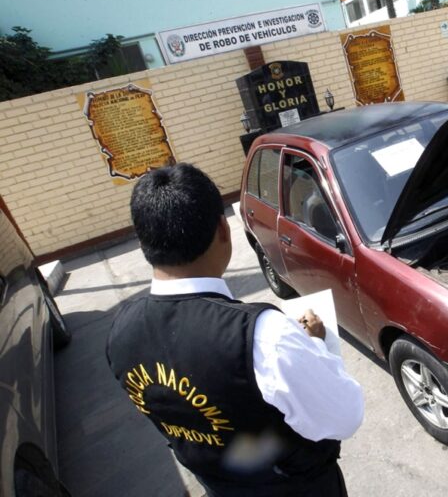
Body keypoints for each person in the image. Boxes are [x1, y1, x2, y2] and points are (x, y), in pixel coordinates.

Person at [106, 163, 364, 496]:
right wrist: (316, 344)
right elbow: (344, 416)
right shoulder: (265, 336)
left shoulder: (119, 334)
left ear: (144, 244)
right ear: (223, 230)